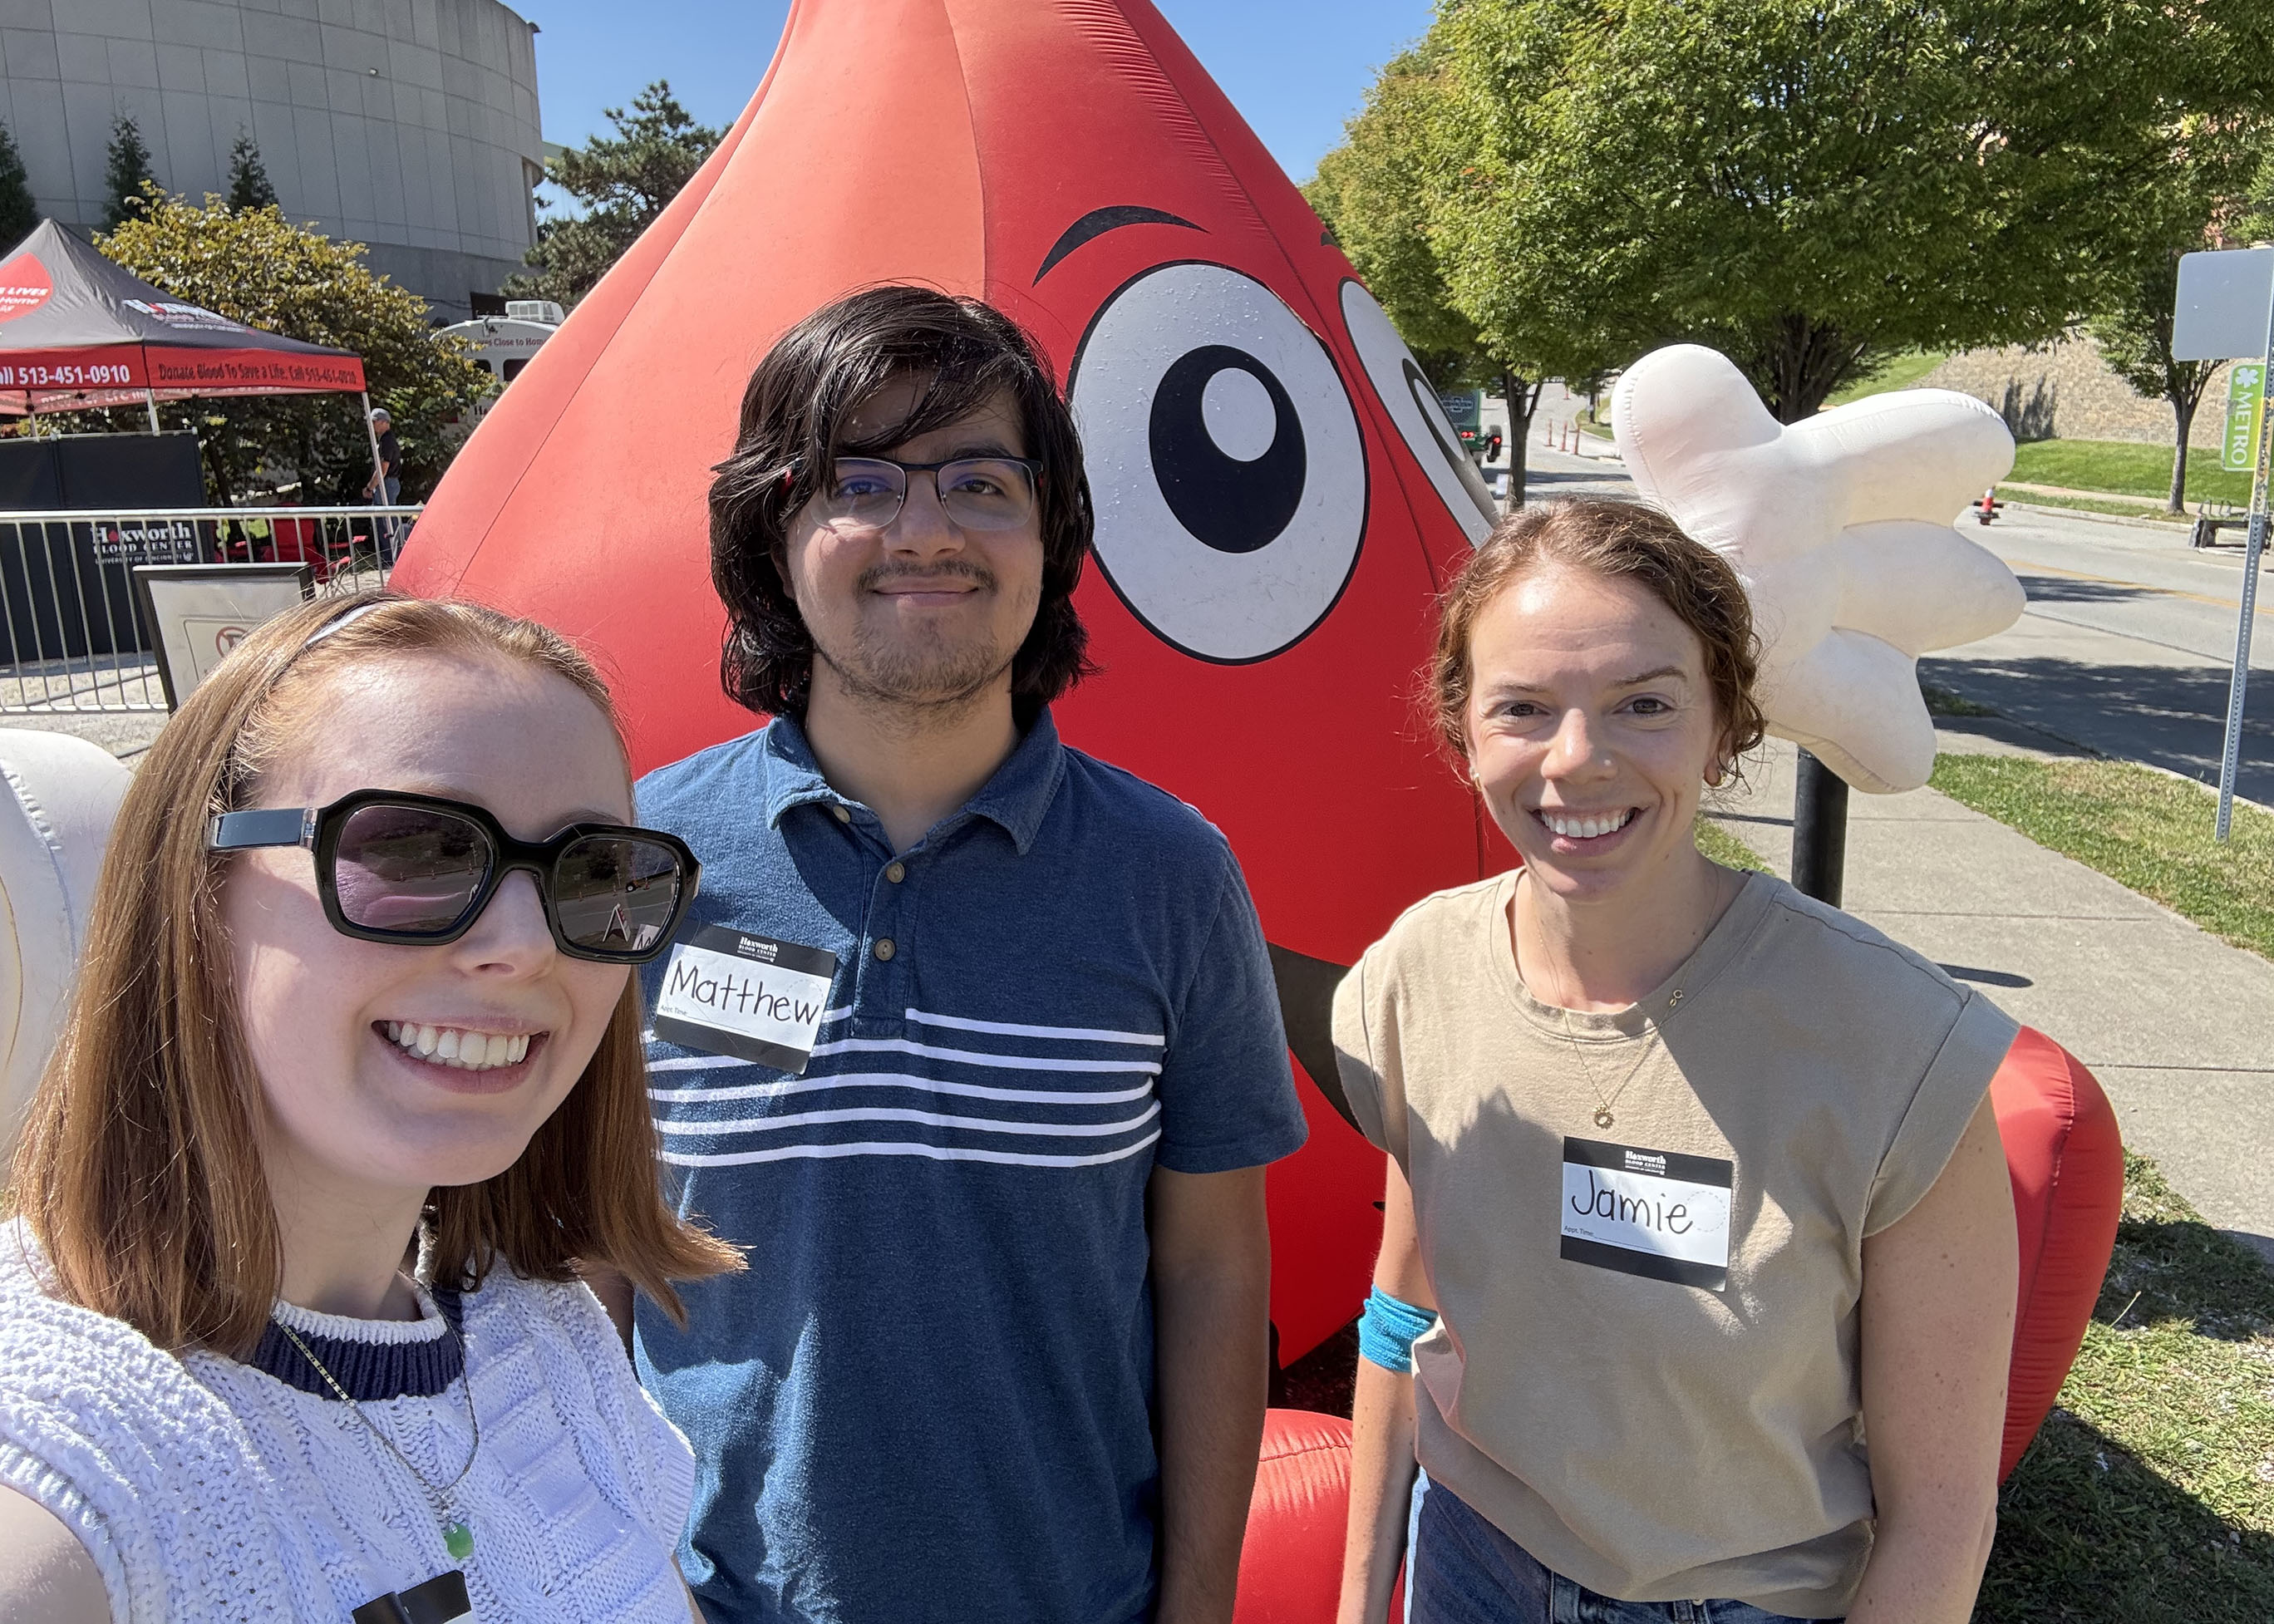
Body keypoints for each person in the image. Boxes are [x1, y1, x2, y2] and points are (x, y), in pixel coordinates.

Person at [616, 285, 1308, 1623]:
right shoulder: (646, 857)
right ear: (776, 529)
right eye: (859, 479)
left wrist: (1200, 1606)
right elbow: (582, 1253)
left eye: (982, 481)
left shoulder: (1170, 874)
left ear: (1051, 532)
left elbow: (1213, 1270)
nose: (923, 528)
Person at [1332, 500, 2019, 1624]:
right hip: (1471, 1563)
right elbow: (1403, 1310)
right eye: (1523, 707)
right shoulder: (1420, 976)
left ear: (1723, 726)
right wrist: (1362, 1602)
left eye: (1643, 704)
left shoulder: (1895, 1045)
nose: (1578, 760)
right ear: (1464, 733)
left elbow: (1942, 1513)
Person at [0, 592, 742, 1622]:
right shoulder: (74, 1463)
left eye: (594, 870)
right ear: (199, 891)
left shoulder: (544, 1338)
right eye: (414, 852)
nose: (525, 944)